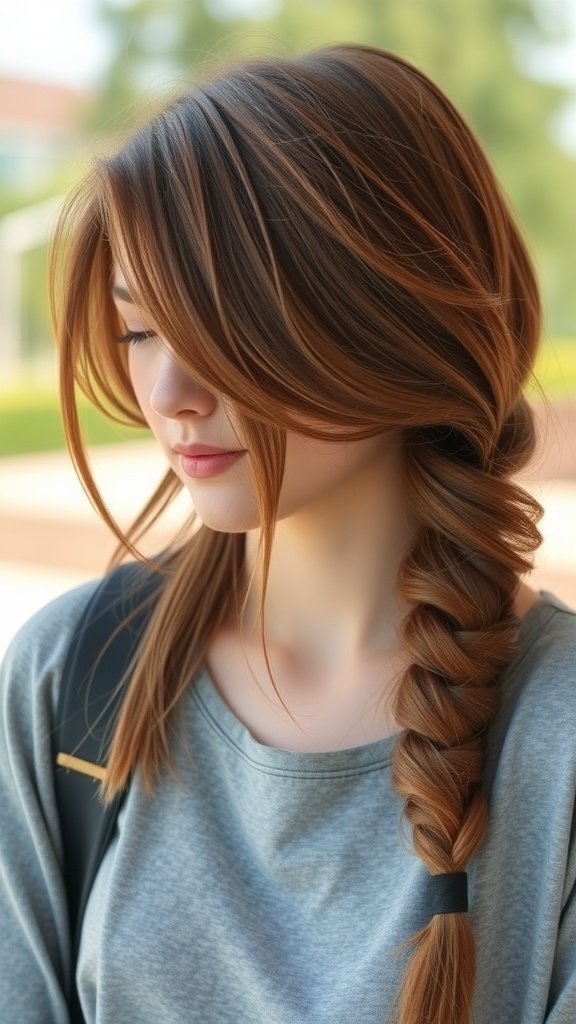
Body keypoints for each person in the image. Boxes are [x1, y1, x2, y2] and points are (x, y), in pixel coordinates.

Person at [0, 41, 575, 1024]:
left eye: (225, 324)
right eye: (140, 330)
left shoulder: (557, 738)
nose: (169, 395)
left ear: (392, 316)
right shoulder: (74, 678)